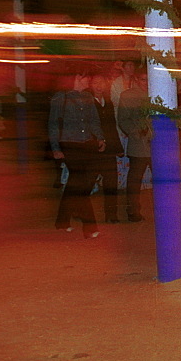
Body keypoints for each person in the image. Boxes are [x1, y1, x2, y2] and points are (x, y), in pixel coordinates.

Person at [49, 66, 106, 238]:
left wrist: (100, 138)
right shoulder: (61, 97)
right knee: (80, 185)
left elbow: (95, 120)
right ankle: (90, 227)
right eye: (84, 77)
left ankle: (62, 221)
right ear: (75, 78)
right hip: (70, 145)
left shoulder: (88, 97)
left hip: (87, 143)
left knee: (76, 185)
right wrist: (56, 148)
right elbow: (53, 125)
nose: (87, 80)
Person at [117, 71, 151, 223]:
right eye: (143, 79)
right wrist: (136, 132)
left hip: (157, 143)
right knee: (135, 180)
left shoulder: (157, 91)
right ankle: (132, 211)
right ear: (137, 79)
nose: (146, 83)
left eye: (148, 80)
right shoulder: (128, 96)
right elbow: (123, 120)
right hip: (139, 143)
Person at [90, 73, 123, 223]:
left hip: (109, 149)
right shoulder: (87, 102)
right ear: (91, 85)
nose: (99, 86)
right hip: (93, 150)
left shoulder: (108, 102)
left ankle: (111, 215)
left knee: (111, 184)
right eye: (95, 82)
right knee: (87, 183)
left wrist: (118, 147)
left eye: (101, 83)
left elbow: (111, 127)